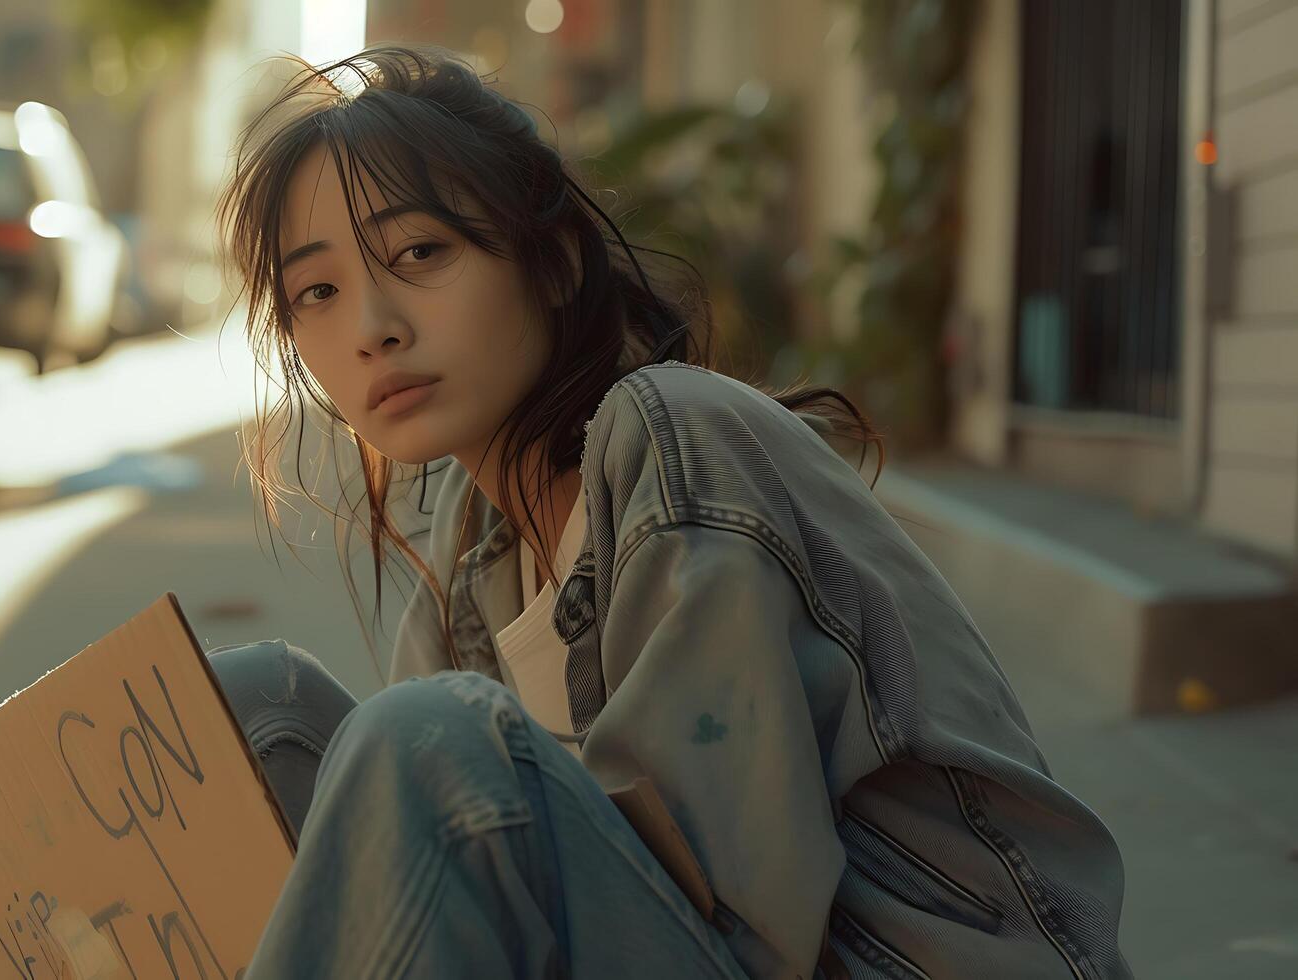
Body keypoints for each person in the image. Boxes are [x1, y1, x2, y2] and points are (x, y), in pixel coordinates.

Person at [206, 44, 1131, 979]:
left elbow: (743, 927)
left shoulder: (680, 437)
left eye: (419, 252)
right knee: (244, 711)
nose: (371, 328)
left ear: (557, 262)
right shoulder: (466, 570)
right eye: (316, 291)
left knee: (427, 743)